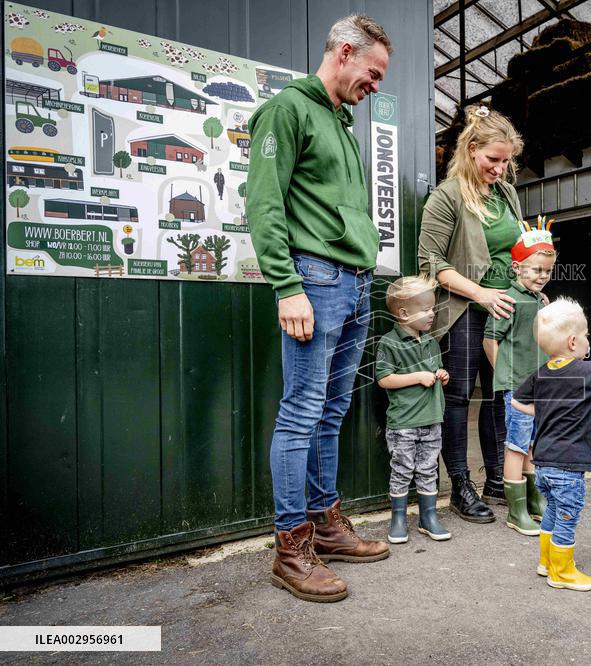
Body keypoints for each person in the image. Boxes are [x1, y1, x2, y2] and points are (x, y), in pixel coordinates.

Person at [247, 14, 392, 603]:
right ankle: (291, 545)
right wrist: (287, 286)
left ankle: (325, 523)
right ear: (344, 51)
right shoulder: (289, 110)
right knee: (301, 412)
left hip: (354, 281)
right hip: (315, 278)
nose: (376, 85)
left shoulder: (341, 122)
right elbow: (264, 204)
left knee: (330, 412)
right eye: (373, 72)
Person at [418, 106, 525, 523]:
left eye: (506, 161)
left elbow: (514, 248)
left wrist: (531, 283)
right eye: (492, 160)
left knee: (502, 393)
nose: (500, 168)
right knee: (459, 398)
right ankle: (460, 485)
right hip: (464, 309)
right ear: (471, 149)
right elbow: (431, 263)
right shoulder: (447, 197)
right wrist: (481, 293)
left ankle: (497, 477)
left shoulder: (507, 194)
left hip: (507, 308)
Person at [512, 298, 591, 591]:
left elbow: (517, 402)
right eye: (585, 335)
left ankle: (546, 562)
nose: (587, 341)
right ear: (572, 342)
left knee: (552, 512)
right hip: (569, 468)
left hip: (543, 464)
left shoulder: (541, 374)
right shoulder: (589, 371)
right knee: (567, 517)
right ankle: (563, 573)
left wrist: (542, 411)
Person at [483, 224, 556, 535]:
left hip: (539, 385)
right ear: (516, 267)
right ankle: (516, 511)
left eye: (548, 272)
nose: (542, 276)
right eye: (536, 270)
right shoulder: (508, 300)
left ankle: (533, 500)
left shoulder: (540, 301)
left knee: (531, 443)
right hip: (517, 386)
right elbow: (490, 339)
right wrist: (505, 374)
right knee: (515, 444)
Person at [375, 275, 451, 544]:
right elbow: (384, 379)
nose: (432, 313)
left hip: (431, 418)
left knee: (429, 469)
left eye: (433, 307)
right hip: (404, 423)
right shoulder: (389, 343)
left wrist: (440, 374)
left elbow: (433, 373)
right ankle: (398, 518)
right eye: (426, 309)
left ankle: (428, 517)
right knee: (403, 470)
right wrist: (418, 376)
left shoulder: (430, 342)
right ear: (404, 313)